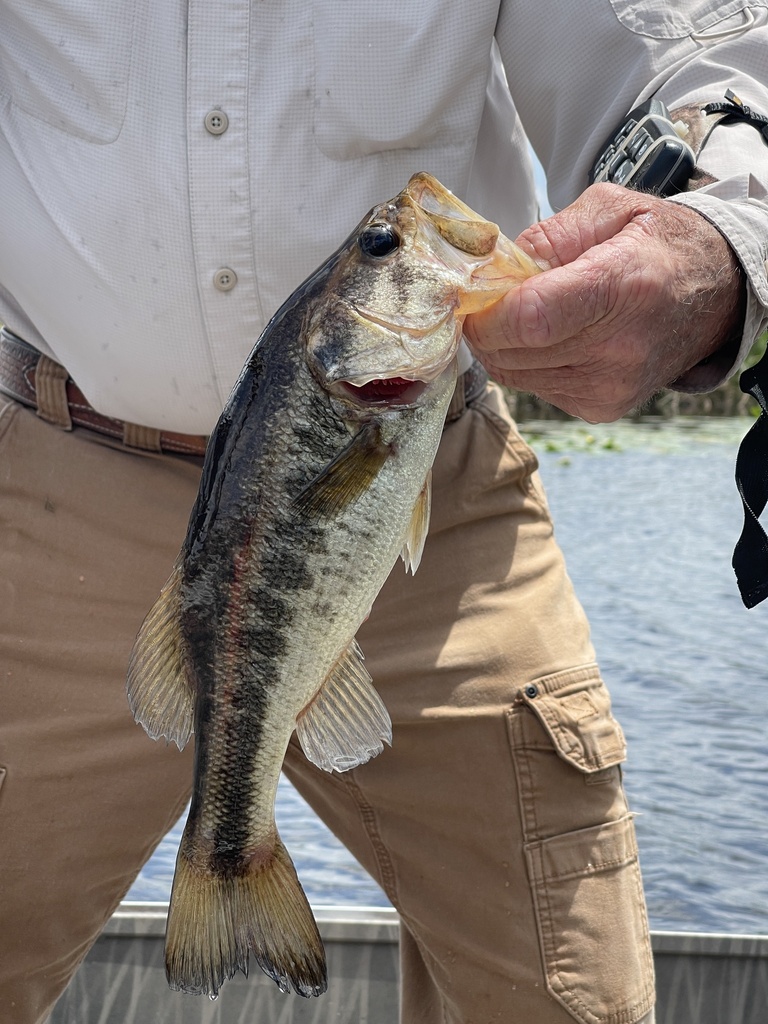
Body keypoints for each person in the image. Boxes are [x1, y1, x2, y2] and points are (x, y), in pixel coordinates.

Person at [1, 3, 766, 1023]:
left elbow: (685, 54)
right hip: (59, 496)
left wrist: (717, 231)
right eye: (382, 245)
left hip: (434, 496)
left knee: (566, 999)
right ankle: (231, 848)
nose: (403, 226)